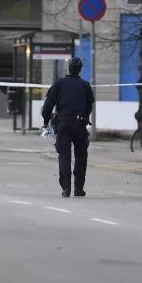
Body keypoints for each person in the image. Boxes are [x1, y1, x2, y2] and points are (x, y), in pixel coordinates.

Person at [42, 57, 95, 197]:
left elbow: (48, 105)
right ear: (80, 69)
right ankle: (78, 188)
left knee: (64, 156)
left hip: (63, 123)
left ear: (68, 68)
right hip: (80, 124)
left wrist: (46, 121)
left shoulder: (59, 84)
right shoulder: (85, 85)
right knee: (81, 156)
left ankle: (66, 188)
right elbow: (89, 107)